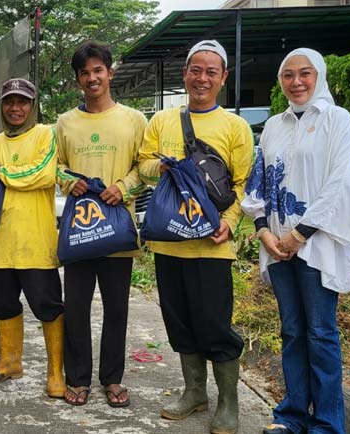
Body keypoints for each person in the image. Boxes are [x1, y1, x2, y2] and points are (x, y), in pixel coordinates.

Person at [242, 48, 350, 434]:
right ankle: (291, 416)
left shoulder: (337, 120)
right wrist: (264, 230)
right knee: (292, 330)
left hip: (316, 244)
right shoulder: (274, 126)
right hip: (278, 245)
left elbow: (340, 182)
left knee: (320, 331)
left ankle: (328, 424)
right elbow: (259, 182)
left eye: (305, 74)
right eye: (288, 75)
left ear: (320, 77)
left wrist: (301, 233)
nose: (296, 82)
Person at [138, 40, 253, 434]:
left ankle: (228, 402)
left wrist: (231, 221)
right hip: (169, 241)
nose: (201, 78)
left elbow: (243, 185)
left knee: (214, 325)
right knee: (180, 321)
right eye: (195, 69)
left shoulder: (235, 127)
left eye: (211, 71)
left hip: (212, 245)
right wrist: (168, 167)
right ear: (184, 74)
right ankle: (194, 392)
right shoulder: (161, 121)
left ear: (222, 78)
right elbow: (144, 165)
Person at [55, 40, 146, 407]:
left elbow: (145, 164)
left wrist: (123, 186)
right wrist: (67, 181)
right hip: (80, 230)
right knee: (75, 307)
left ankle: (112, 378)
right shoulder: (65, 123)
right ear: (78, 79)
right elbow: (54, 165)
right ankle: (77, 378)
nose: (92, 78)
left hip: (118, 230)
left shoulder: (134, 120)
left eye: (98, 70)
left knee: (117, 308)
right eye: (84, 73)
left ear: (110, 72)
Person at [0, 78, 66, 399]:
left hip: (35, 241)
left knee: (48, 305)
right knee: (1, 304)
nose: (16, 108)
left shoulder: (46, 135)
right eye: (10, 102)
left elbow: (43, 173)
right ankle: (9, 362)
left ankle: (56, 371)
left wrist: (0, 171)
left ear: (32, 106)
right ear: (2, 105)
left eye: (23, 102)